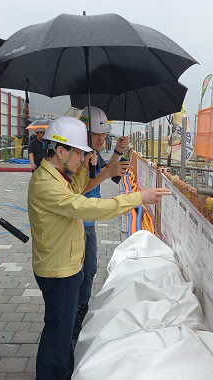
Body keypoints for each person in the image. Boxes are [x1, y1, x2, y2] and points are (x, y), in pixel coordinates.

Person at [27, 116, 171, 380]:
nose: (82, 158)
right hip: (58, 269)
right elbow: (86, 206)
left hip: (65, 263)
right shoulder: (47, 184)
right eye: (80, 153)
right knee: (57, 334)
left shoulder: (58, 175)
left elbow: (80, 188)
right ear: (61, 151)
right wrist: (138, 197)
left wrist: (91, 167)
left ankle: (61, 369)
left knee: (61, 328)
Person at [73, 106, 131, 338]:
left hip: (89, 224)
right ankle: (75, 316)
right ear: (84, 133)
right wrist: (105, 172)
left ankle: (80, 313)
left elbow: (106, 170)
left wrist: (117, 151)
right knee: (80, 274)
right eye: (97, 134)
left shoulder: (92, 156)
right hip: (77, 225)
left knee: (89, 271)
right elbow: (78, 190)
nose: (102, 138)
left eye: (104, 134)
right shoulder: (78, 157)